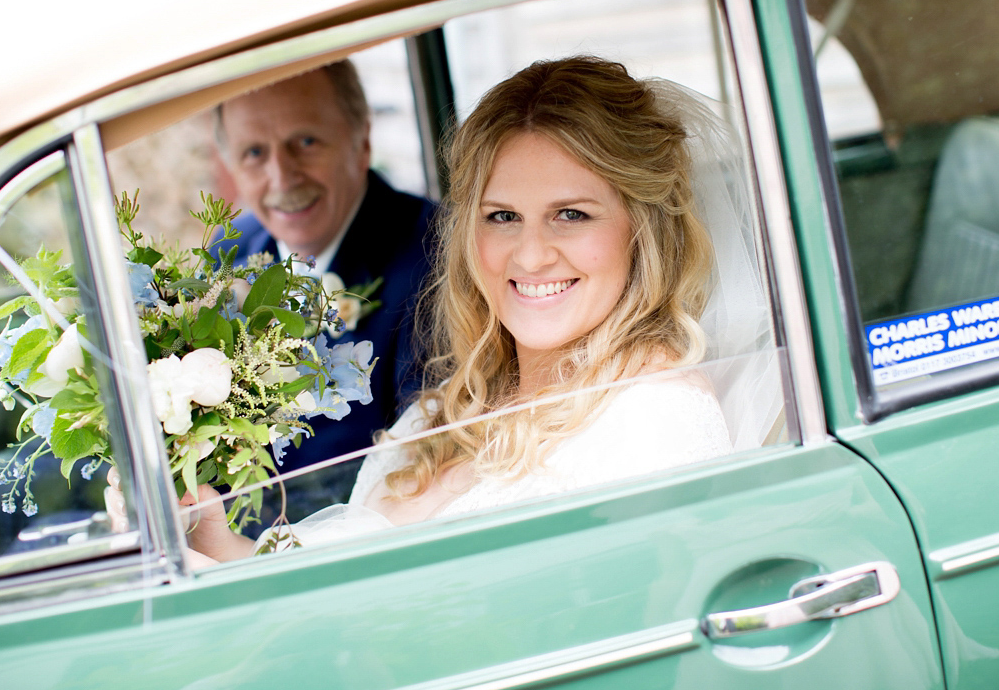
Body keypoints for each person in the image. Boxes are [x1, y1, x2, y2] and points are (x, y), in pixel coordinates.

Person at [185, 55, 773, 563]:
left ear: (642, 231)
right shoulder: (443, 411)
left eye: (571, 214)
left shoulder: (655, 421)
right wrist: (221, 548)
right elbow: (348, 578)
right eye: (502, 216)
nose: (532, 254)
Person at [213, 62, 437, 485]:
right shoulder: (225, 255)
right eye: (255, 153)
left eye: (306, 141)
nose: (282, 176)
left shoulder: (436, 258)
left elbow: (423, 468)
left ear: (362, 141)